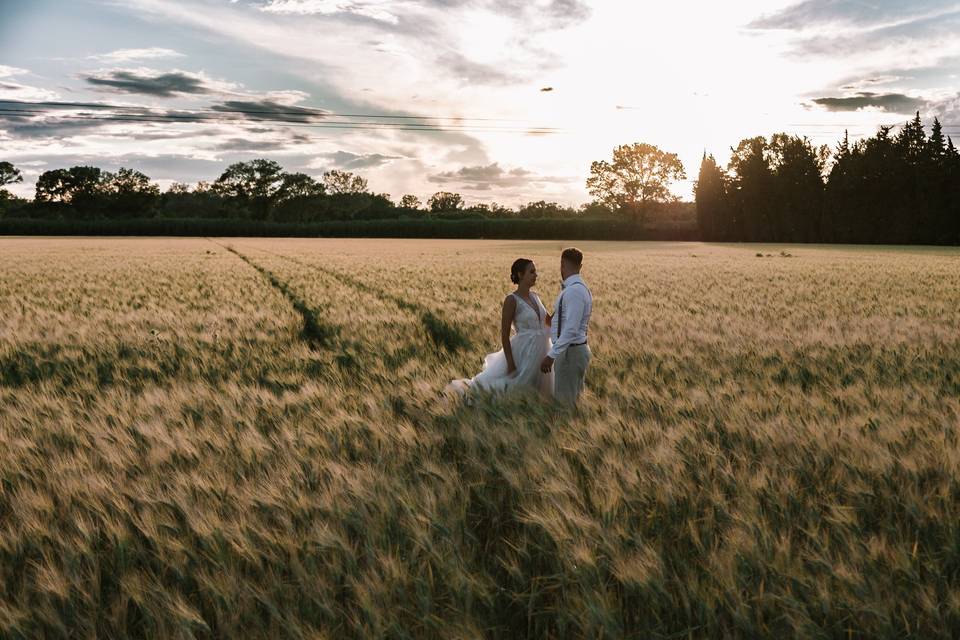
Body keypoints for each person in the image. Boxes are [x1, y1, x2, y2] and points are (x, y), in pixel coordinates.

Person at [446, 258, 554, 398]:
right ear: (520, 275)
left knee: (537, 391)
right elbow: (504, 334)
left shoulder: (535, 297)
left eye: (535, 271)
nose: (536, 275)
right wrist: (510, 363)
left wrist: (563, 302)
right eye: (531, 272)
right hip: (523, 351)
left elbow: (549, 321)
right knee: (514, 388)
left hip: (542, 349)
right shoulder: (512, 300)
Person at [541, 247, 592, 406]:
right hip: (572, 350)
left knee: (564, 404)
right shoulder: (577, 289)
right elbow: (565, 320)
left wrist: (551, 355)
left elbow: (571, 329)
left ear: (562, 264)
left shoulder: (574, 291)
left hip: (570, 353)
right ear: (580, 266)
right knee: (571, 402)